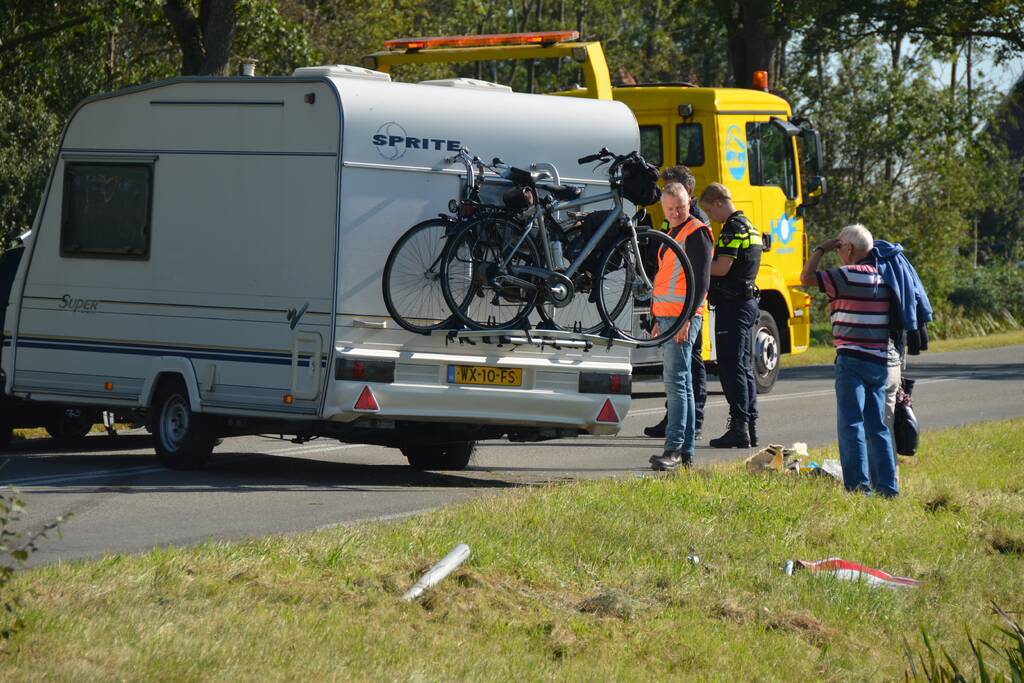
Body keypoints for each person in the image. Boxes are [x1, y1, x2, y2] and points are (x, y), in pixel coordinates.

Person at [799, 224, 899, 497]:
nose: (838, 252)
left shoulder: (845, 275)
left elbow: (805, 277)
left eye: (840, 247)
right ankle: (888, 489)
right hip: (879, 360)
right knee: (876, 426)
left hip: (851, 359)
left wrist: (820, 249)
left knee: (851, 423)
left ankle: (857, 488)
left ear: (849, 249)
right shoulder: (884, 277)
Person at [649, 182, 713, 471]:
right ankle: (684, 453)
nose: (675, 212)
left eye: (681, 207)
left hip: (682, 318)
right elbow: (665, 278)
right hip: (667, 317)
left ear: (690, 203)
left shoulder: (697, 232)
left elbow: (702, 281)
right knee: (682, 384)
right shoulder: (671, 232)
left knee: (676, 384)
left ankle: (674, 450)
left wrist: (688, 318)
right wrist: (655, 318)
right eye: (670, 208)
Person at [699, 183, 762, 448]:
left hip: (733, 306)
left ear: (716, 203)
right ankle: (749, 425)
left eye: (709, 212)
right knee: (744, 366)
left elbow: (722, 268)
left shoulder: (732, 229)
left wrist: (697, 264)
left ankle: (739, 427)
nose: (711, 218)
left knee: (730, 365)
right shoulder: (751, 227)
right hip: (747, 304)